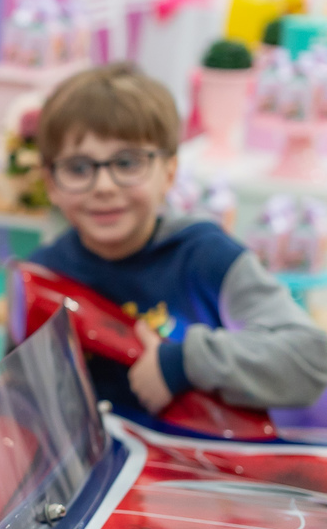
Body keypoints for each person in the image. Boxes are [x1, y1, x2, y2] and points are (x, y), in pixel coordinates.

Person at [27, 62, 327, 419]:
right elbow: (25, 402)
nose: (103, 186)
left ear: (169, 173)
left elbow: (310, 357)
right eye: (78, 168)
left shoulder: (207, 256)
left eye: (126, 163)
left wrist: (185, 362)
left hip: (201, 464)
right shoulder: (42, 274)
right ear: (51, 183)